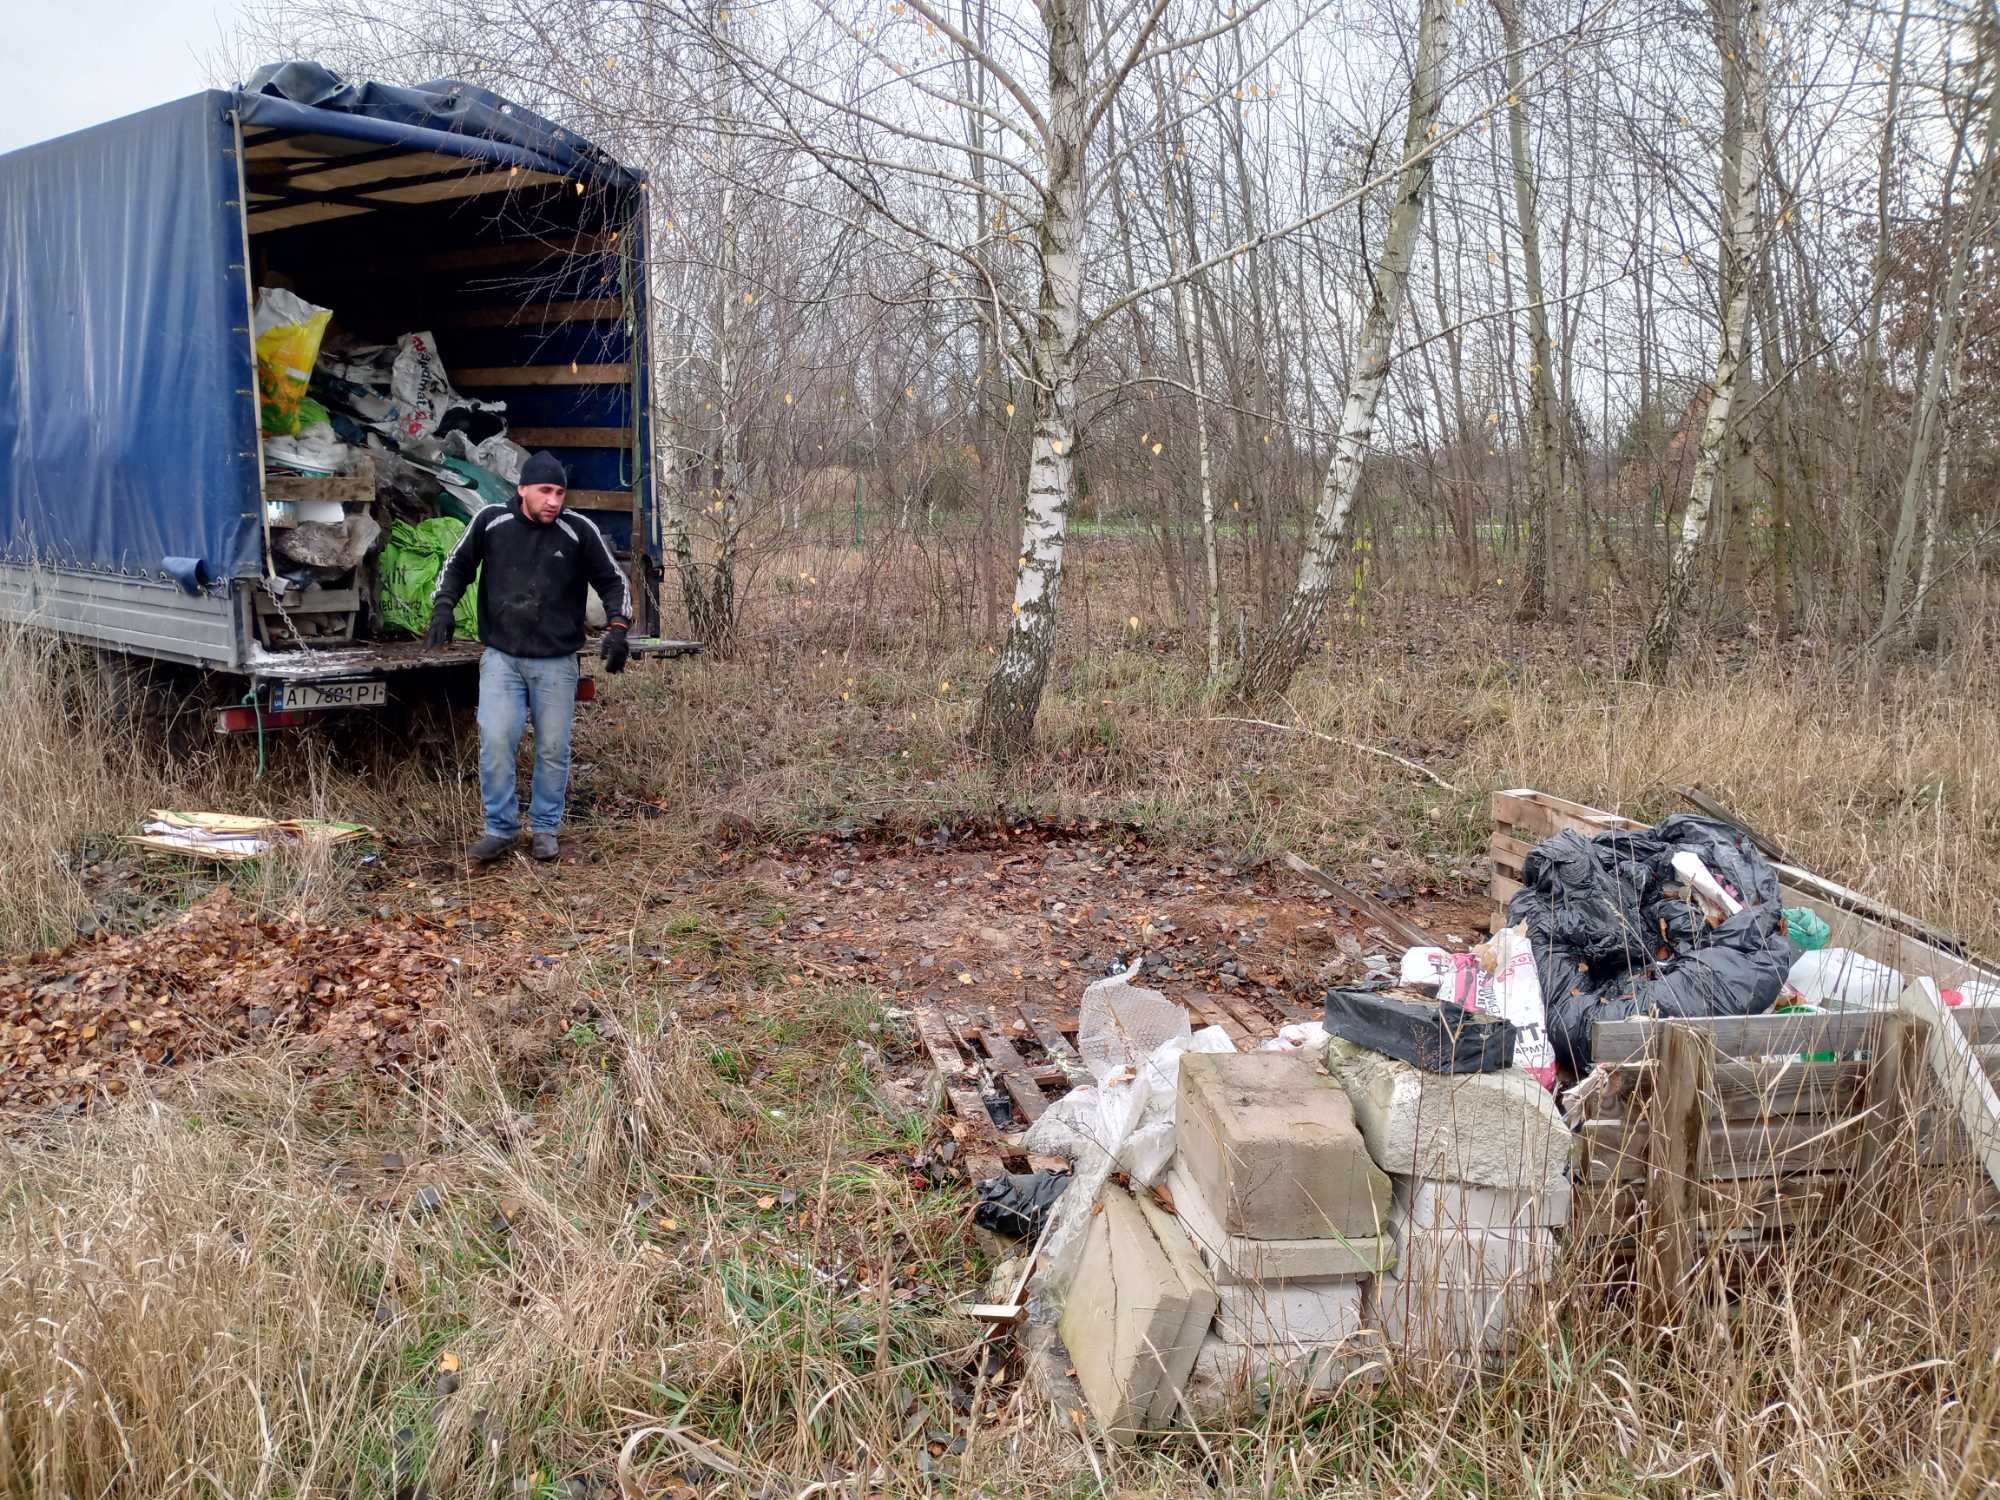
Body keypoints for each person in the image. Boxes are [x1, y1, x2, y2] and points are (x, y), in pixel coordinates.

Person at [427, 450, 632, 862]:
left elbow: (613, 581)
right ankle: (501, 829)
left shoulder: (579, 530)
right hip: (502, 657)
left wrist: (618, 628)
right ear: (522, 489)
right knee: (497, 740)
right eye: (544, 491)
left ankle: (544, 828)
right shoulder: (491, 521)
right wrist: (444, 606)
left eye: (560, 492)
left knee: (553, 749)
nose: (554, 500)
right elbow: (457, 565)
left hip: (557, 661)